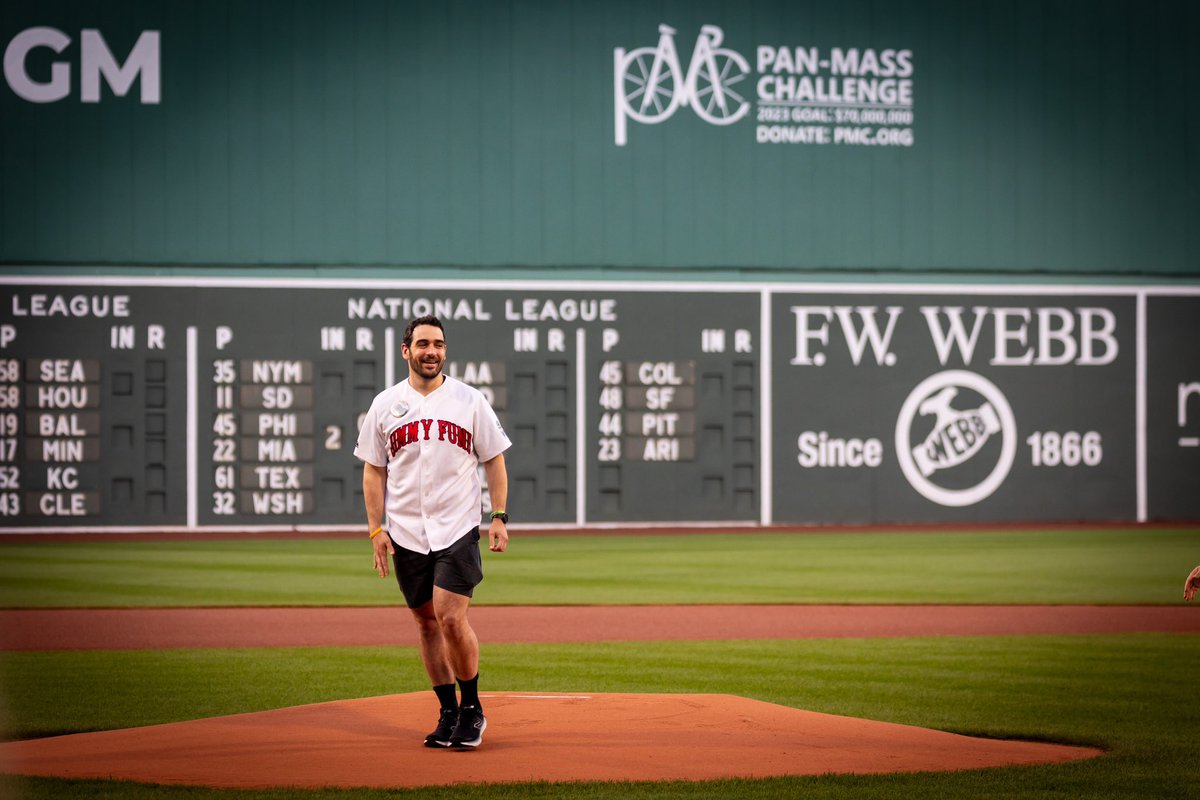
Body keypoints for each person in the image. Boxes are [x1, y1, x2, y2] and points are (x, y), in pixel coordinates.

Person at [354, 315, 511, 749]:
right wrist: (375, 530)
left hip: (457, 527)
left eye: (439, 344)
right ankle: (447, 711)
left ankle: (473, 709)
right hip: (405, 532)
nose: (432, 351)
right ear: (406, 351)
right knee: (425, 623)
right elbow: (373, 470)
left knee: (449, 615)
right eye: (423, 344)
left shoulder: (469, 400)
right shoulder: (385, 404)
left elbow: (494, 460)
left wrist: (498, 516)